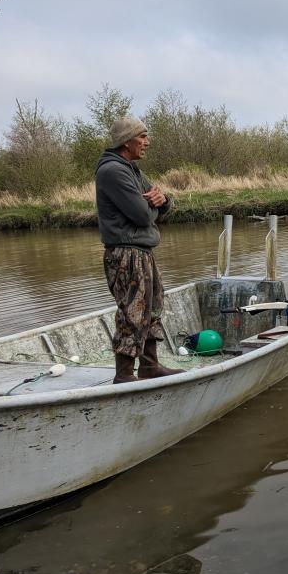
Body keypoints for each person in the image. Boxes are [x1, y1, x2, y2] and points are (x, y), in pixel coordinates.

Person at [96, 116, 180, 384]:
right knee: (133, 312)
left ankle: (149, 367)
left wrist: (163, 199)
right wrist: (154, 205)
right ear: (126, 141)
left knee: (152, 307)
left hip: (142, 252)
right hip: (125, 255)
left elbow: (159, 200)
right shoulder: (113, 171)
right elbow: (142, 216)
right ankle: (123, 375)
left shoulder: (132, 170)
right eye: (142, 137)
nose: (147, 142)